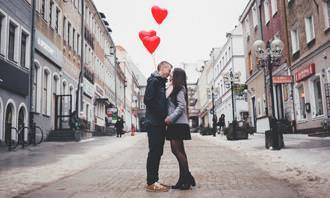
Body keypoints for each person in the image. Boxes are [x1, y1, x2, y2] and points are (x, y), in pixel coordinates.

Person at [144, 61, 172, 192]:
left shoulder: (160, 83)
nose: (170, 73)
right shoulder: (154, 81)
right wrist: (162, 114)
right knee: (154, 151)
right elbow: (148, 100)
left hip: (159, 123)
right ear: (163, 68)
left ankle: (155, 180)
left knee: (158, 152)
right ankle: (151, 182)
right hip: (154, 123)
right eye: (169, 70)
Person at [165, 68, 195, 190]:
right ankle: (185, 178)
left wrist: (171, 118)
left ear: (177, 76)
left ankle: (186, 178)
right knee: (179, 151)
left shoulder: (180, 89)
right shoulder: (173, 88)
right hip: (176, 124)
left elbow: (181, 106)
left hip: (177, 123)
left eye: (172, 74)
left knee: (176, 151)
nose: (170, 75)